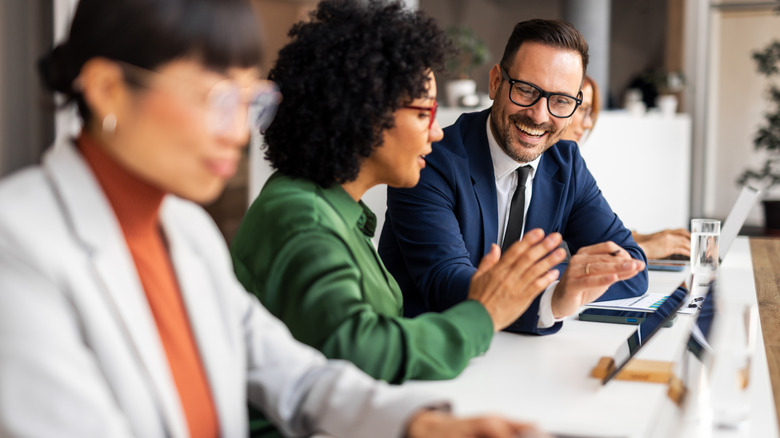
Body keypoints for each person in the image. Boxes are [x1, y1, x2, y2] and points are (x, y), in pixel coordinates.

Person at [0, 1, 546, 437]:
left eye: (248, 102)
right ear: (107, 90)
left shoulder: (184, 231)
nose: (238, 133)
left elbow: (296, 377)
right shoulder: (18, 245)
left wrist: (417, 424)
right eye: (215, 98)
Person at [231, 0, 565, 397]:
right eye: (425, 112)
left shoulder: (330, 207)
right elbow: (360, 349)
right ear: (366, 113)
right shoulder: (304, 220)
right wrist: (484, 313)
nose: (437, 132)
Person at [378, 19, 648, 334]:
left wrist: (564, 280)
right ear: (495, 82)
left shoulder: (567, 164)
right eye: (526, 90)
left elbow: (631, 267)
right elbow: (447, 286)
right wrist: (552, 294)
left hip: (520, 361)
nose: (539, 115)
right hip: (429, 354)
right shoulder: (432, 161)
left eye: (560, 100)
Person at [561, 76, 691, 260]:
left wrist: (653, 237)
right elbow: (569, 255)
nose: (588, 124)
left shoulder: (571, 170)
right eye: (582, 110)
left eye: (589, 112)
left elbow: (599, 234)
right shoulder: (542, 174)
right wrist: (649, 248)